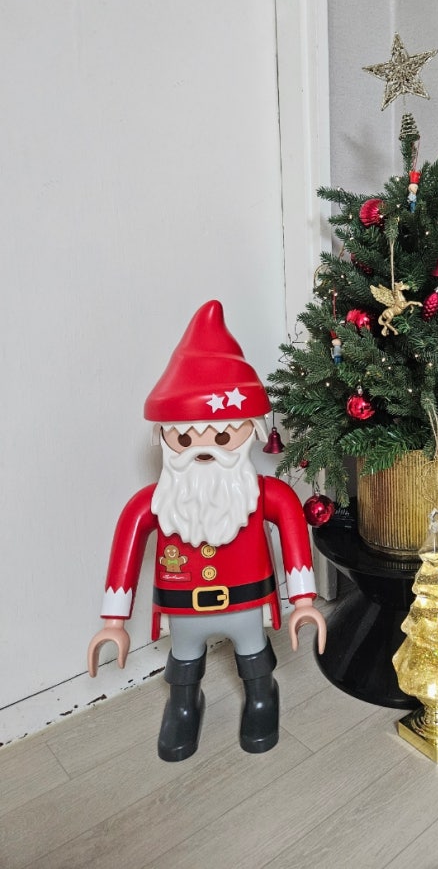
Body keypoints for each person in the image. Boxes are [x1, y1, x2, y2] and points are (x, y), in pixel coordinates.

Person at [87, 300, 326, 761]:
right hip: (184, 606)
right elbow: (127, 551)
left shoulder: (264, 494)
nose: (204, 449)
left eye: (221, 437)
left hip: (246, 601)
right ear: (165, 437)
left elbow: (294, 526)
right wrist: (113, 622)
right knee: (184, 660)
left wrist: (304, 601)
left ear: (252, 431)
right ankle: (183, 706)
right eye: (184, 438)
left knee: (254, 655)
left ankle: (262, 698)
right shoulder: (155, 503)